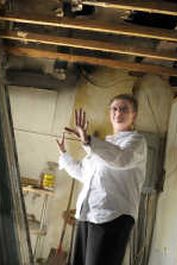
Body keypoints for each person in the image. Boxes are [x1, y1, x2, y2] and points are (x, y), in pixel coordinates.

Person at [56, 94, 147, 265]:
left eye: (124, 109)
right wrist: (64, 155)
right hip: (88, 214)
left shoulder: (136, 142)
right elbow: (83, 173)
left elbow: (121, 158)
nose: (118, 113)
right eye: (114, 109)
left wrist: (88, 140)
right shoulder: (103, 145)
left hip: (114, 216)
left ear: (133, 115)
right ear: (109, 113)